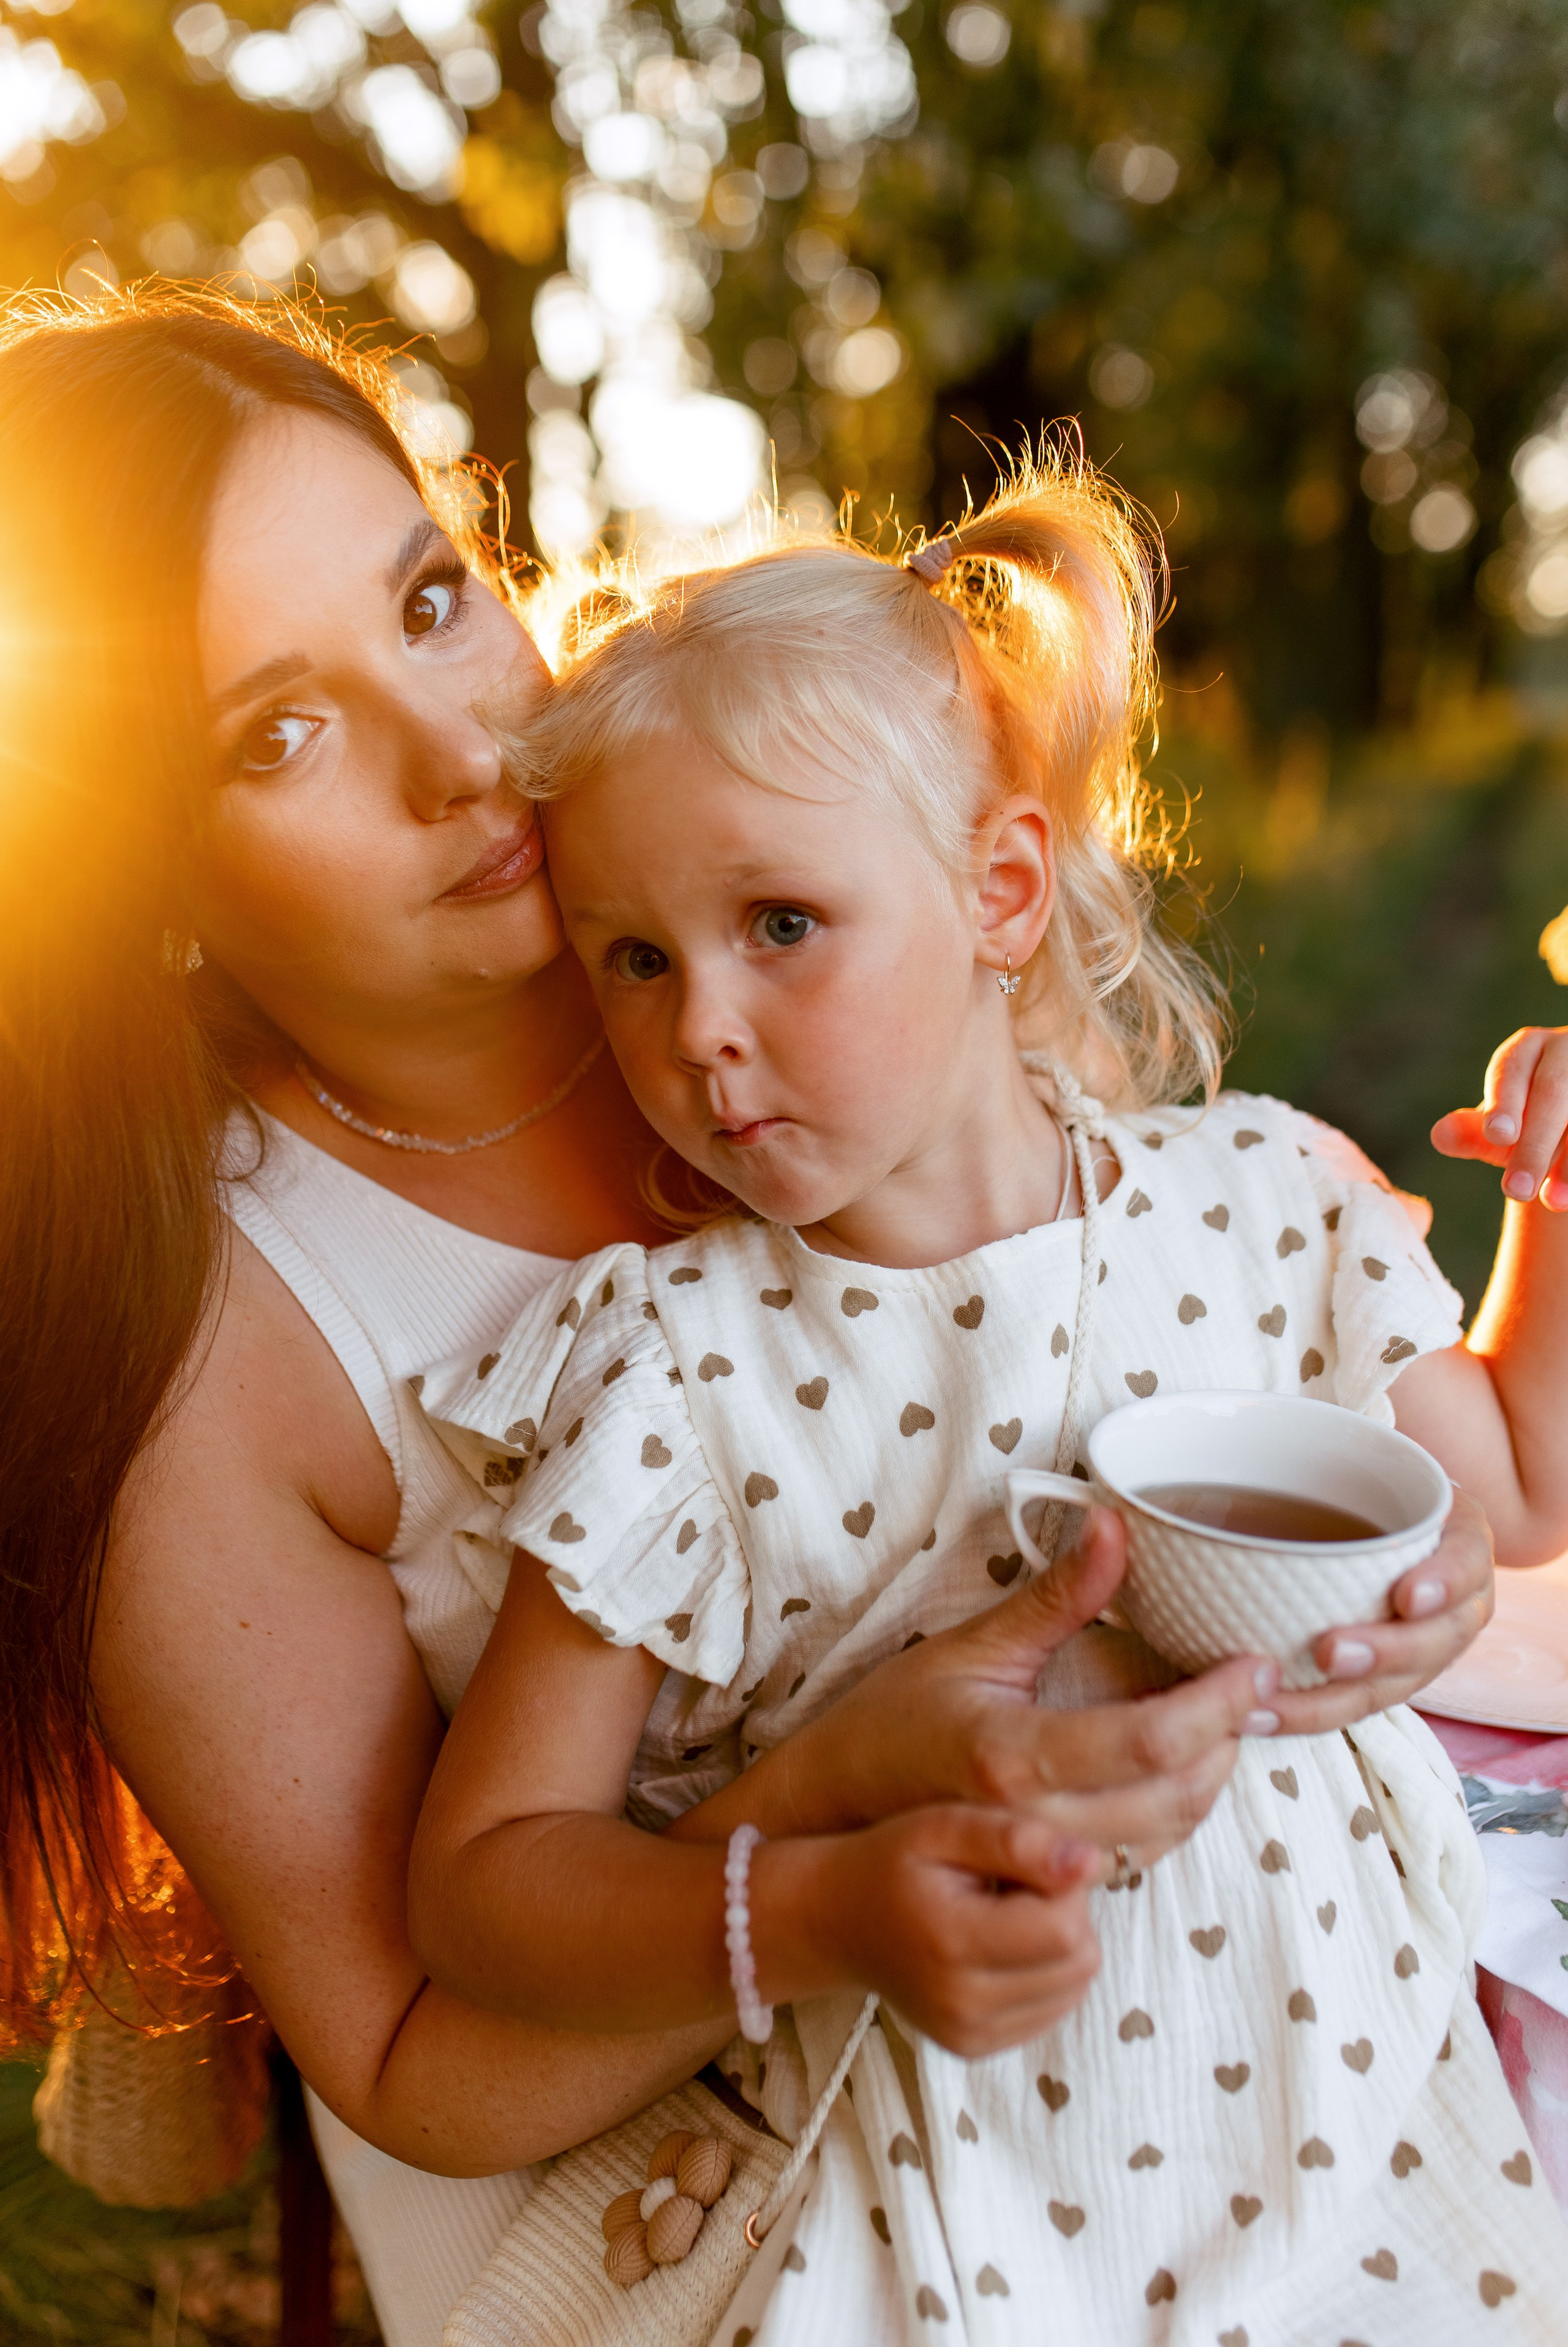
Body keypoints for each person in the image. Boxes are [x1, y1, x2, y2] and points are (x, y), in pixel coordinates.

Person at [0, 288, 1494, 2347]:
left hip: (1166, 1979)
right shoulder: (214, 1350)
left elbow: (1111, 1287)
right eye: (281, 728)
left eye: (433, 599)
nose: (463, 752)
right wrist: (823, 1819)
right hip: (672, 2171)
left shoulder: (735, 867)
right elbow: (426, 2056)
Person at [408, 461, 1568, 2343]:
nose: (699, 1026)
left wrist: (1557, 1203)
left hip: (1361, 2100)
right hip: (957, 2183)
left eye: (780, 922)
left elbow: (1515, 1495)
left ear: (1001, 890)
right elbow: (482, 1891)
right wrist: (818, 1910)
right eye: (635, 957)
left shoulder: (1260, 1202)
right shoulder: (680, 1370)